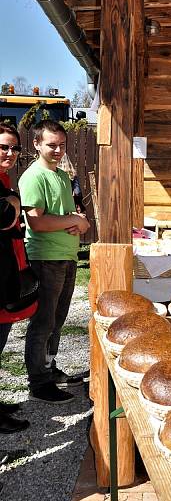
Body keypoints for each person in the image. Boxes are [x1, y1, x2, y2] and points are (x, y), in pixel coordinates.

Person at [19, 120, 90, 404]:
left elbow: (74, 217)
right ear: (36, 144)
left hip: (67, 256)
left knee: (57, 321)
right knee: (43, 323)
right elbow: (36, 222)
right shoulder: (33, 176)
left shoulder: (61, 176)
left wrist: (77, 222)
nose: (58, 150)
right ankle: (38, 383)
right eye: (52, 145)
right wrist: (72, 221)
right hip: (46, 258)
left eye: (62, 145)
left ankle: (49, 368)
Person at [0, 123, 32, 461]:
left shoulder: (6, 181)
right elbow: (7, 217)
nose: (9, 154)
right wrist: (10, 204)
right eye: (3, 147)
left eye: (13, 148)